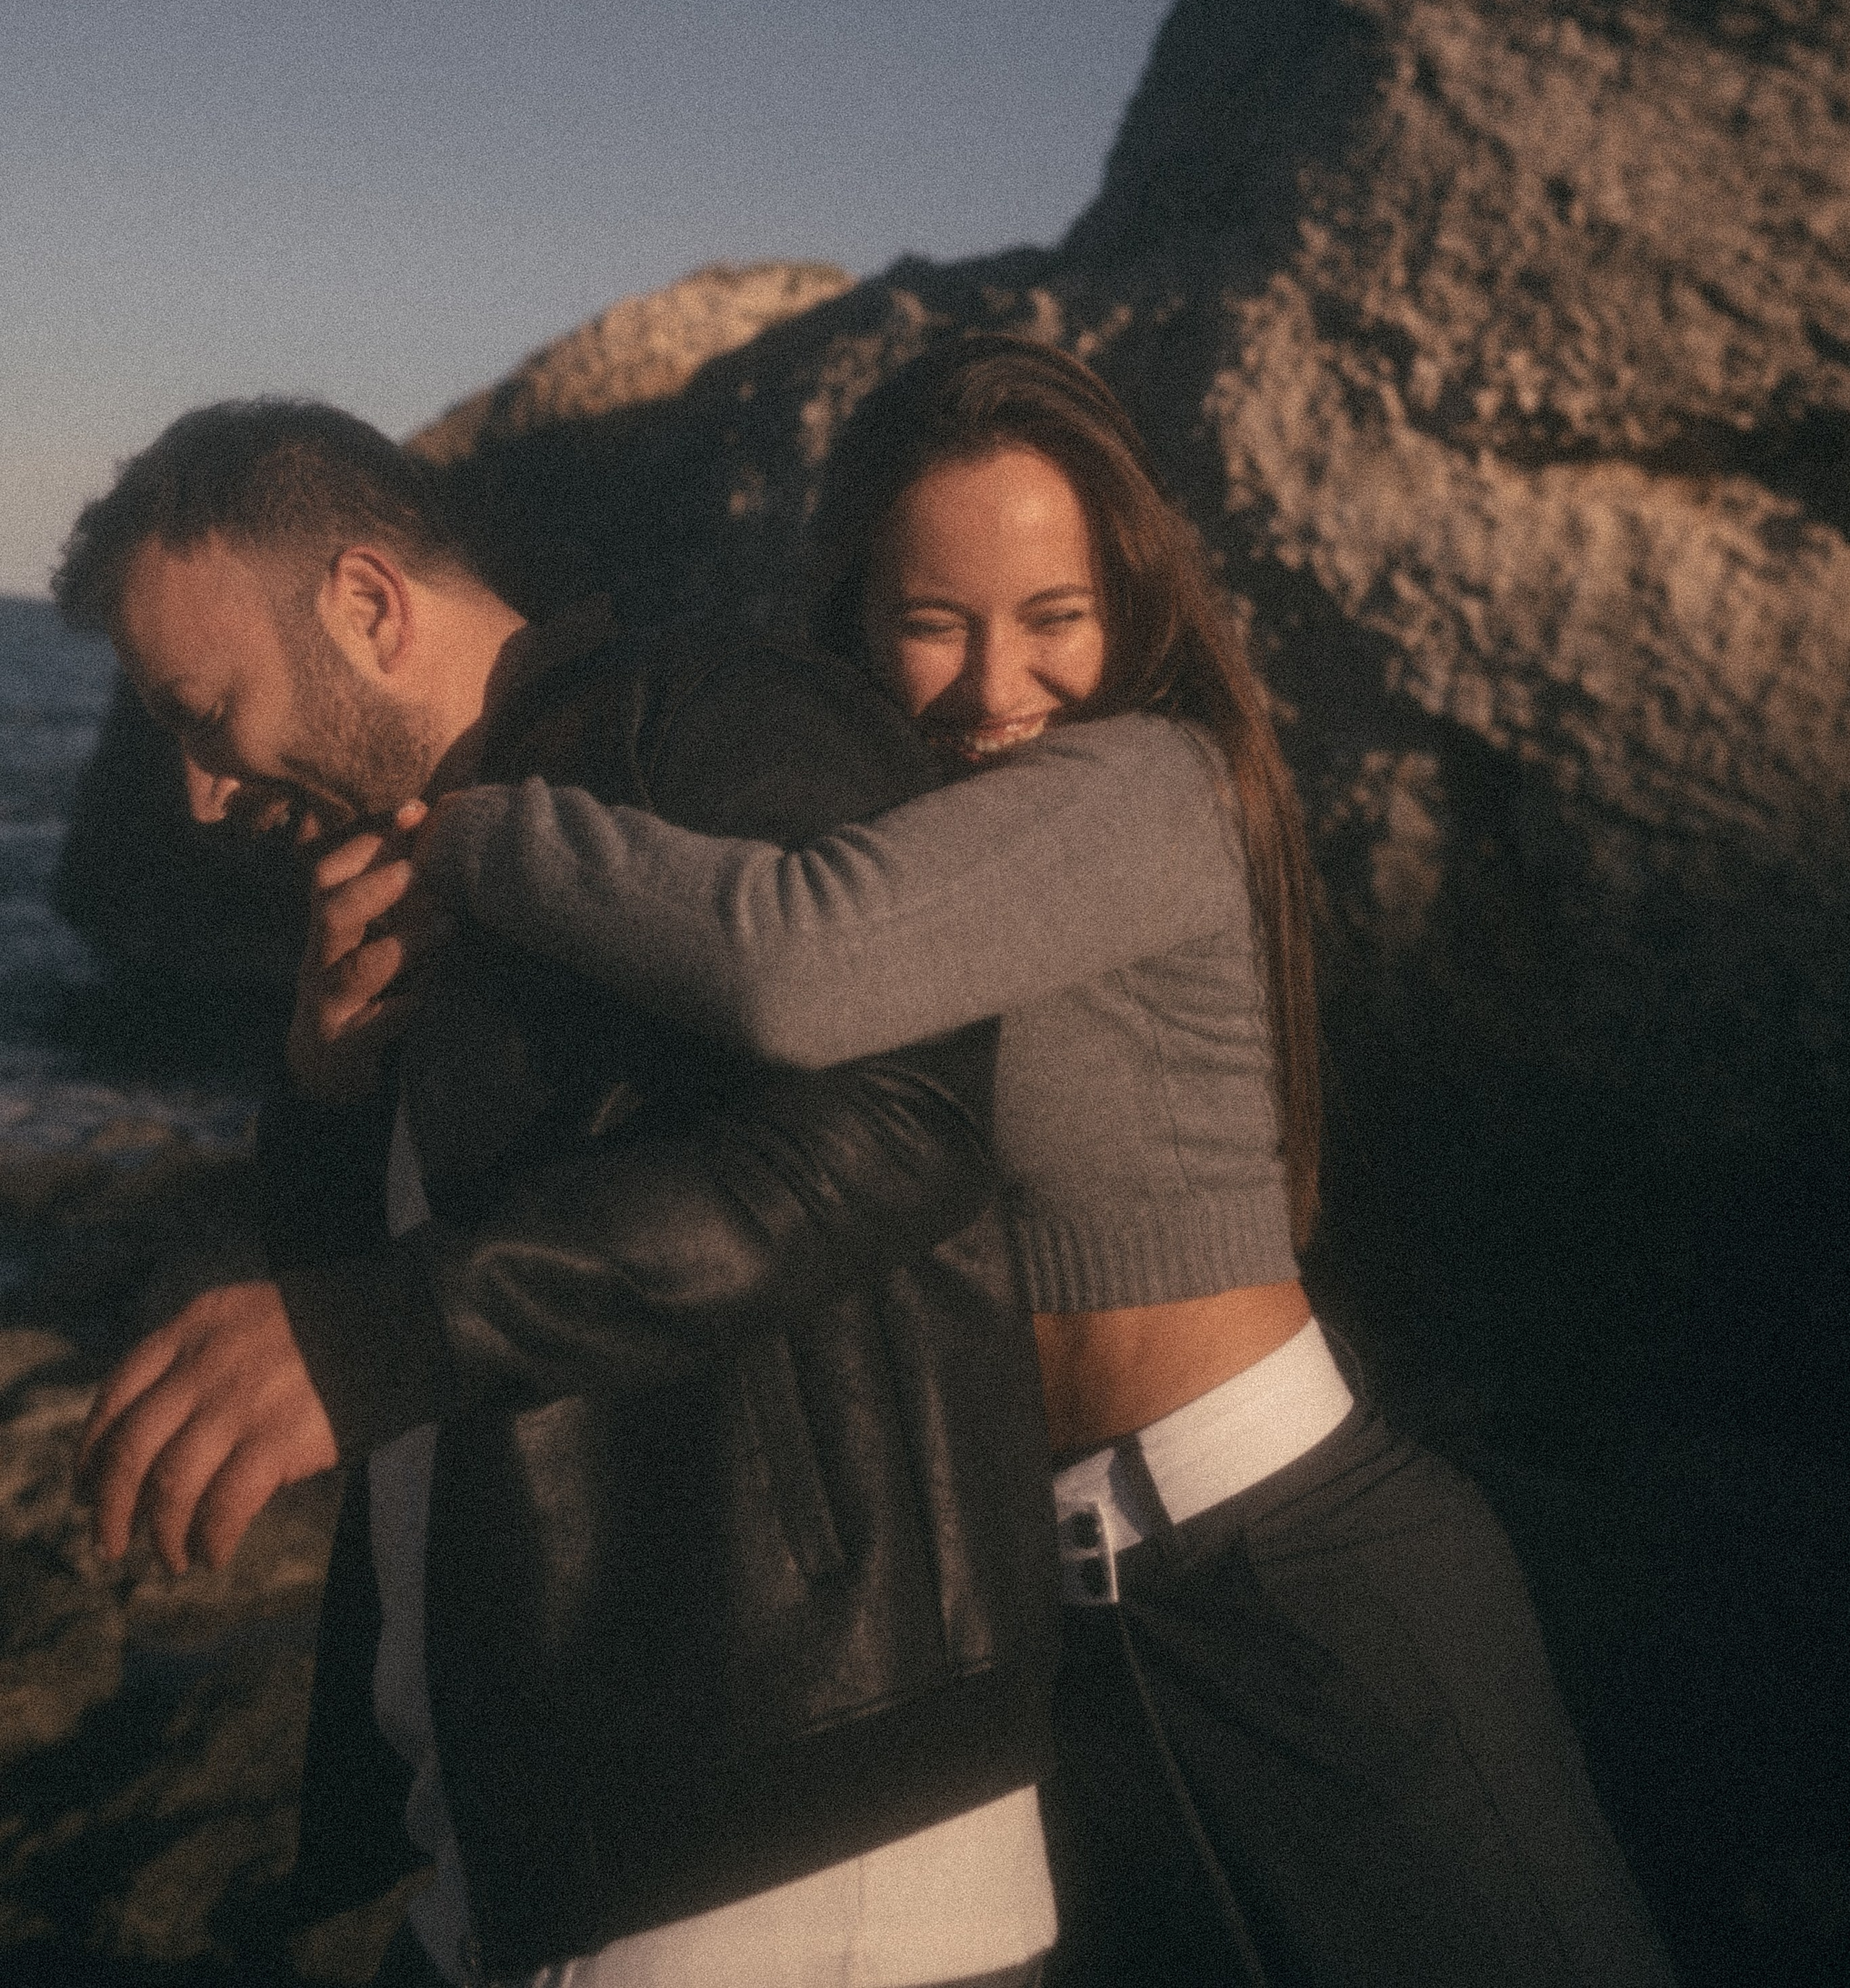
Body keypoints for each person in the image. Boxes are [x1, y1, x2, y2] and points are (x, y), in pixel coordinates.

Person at [361, 335, 1679, 1988]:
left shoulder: (1143, 782)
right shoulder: (905, 841)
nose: (998, 688)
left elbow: (789, 962)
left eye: (1055, 617)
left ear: (1131, 606)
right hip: (1054, 1633)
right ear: (851, 620)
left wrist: (471, 830)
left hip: (1291, 1578)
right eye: (933, 622)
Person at [54, 398, 1063, 1988]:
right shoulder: (417, 853)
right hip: (538, 1839)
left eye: (207, 714)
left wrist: (393, 1329)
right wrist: (327, 1093)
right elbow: (372, 1301)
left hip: (791, 1836)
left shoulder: (709, 719)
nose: (196, 794)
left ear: (368, 604)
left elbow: (906, 1121)